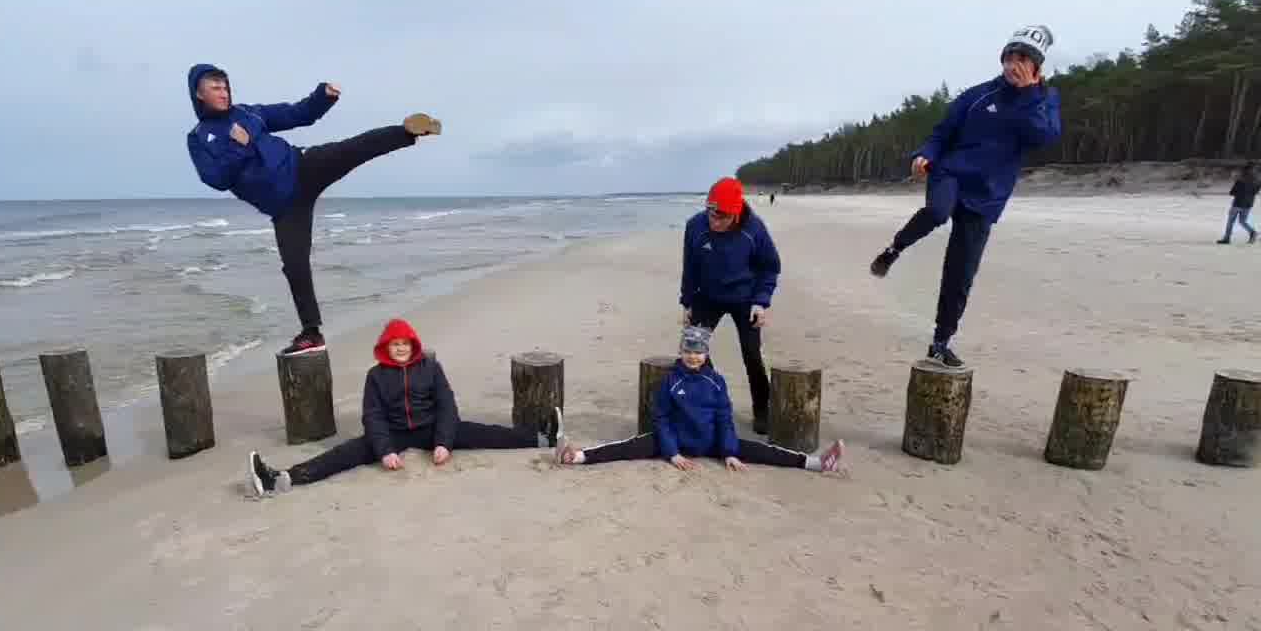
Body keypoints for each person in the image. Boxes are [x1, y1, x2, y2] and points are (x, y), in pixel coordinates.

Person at [186, 64, 442, 357]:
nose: (223, 93)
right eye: (215, 88)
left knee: (352, 149)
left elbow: (298, 114)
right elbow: (215, 179)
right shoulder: (199, 138)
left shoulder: (248, 113)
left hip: (303, 166)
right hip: (285, 207)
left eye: (225, 87)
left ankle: (407, 131)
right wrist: (239, 147)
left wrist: (323, 96)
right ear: (199, 93)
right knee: (294, 266)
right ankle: (312, 333)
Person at [869, 25, 1063, 368]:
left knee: (961, 272)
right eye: (1009, 57)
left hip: (988, 193)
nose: (1012, 66)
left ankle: (940, 342)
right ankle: (894, 248)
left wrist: (1029, 95)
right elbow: (942, 132)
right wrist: (924, 153)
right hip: (951, 173)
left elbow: (1043, 137)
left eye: (1022, 59)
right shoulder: (978, 95)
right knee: (938, 211)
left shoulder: (1044, 100)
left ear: (1036, 66)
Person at [248, 319, 556, 495]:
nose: (400, 349)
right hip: (394, 434)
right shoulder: (376, 376)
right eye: (394, 345)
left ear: (413, 346)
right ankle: (280, 479)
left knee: (487, 434)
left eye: (405, 344)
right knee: (345, 454)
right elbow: (373, 416)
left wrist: (443, 443)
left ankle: (543, 437)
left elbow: (448, 406)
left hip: (432, 428)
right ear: (385, 347)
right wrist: (384, 450)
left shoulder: (431, 368)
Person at [553, 326, 845, 475]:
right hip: (676, 442)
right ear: (681, 352)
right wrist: (672, 453)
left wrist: (729, 451)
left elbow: (724, 417)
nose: (693, 356)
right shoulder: (672, 380)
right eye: (688, 351)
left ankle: (816, 464)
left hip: (712, 442)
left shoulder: (715, 380)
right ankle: (577, 457)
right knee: (630, 446)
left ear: (706, 354)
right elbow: (662, 418)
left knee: (759, 451)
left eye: (698, 351)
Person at [680, 176, 781, 435]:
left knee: (751, 354)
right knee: (693, 347)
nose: (715, 221)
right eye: (711, 214)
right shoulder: (695, 226)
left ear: (736, 213)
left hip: (745, 299)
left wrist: (761, 302)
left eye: (722, 217)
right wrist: (687, 301)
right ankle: (711, 402)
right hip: (707, 296)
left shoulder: (754, 229)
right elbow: (689, 268)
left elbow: (770, 267)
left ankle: (763, 409)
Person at [1218, 162, 1261, 245]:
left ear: (1245, 170)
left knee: (1231, 221)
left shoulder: (1241, 180)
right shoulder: (1258, 181)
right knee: (1242, 221)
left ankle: (1227, 238)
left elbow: (1232, 192)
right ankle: (1252, 232)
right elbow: (1256, 191)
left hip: (1238, 203)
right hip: (1248, 203)